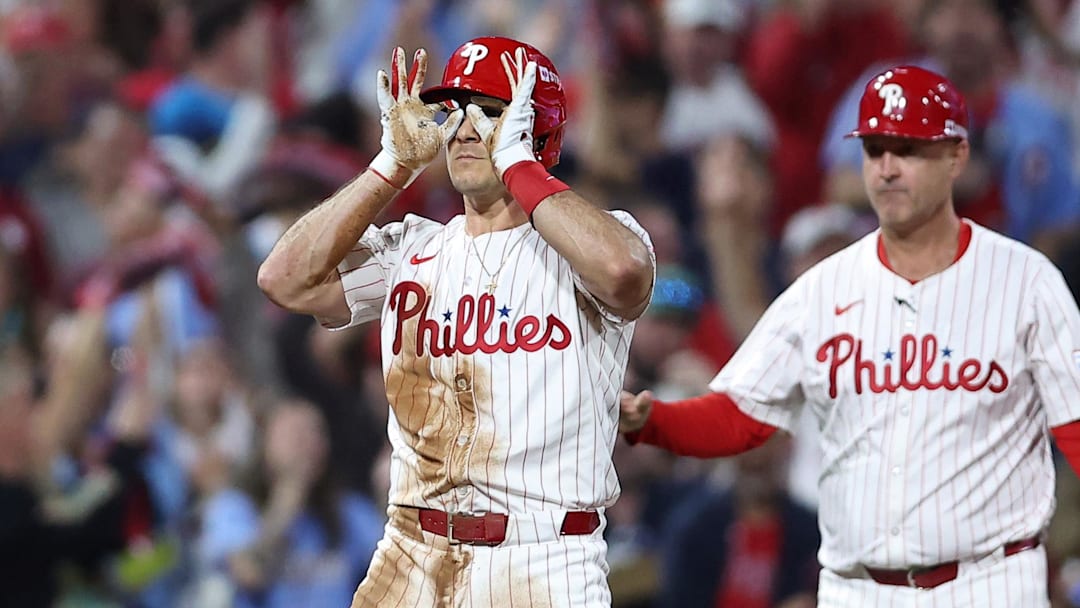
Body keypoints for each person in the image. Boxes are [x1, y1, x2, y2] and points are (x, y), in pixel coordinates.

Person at [620, 64, 1080, 606]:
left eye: (907, 150)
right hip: (858, 588)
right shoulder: (823, 290)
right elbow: (743, 415)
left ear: (957, 157)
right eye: (874, 150)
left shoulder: (1025, 283)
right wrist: (655, 423)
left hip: (988, 584)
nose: (886, 169)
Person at [257, 36, 655, 607]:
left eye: (490, 112)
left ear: (537, 128)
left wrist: (519, 162)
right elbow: (284, 279)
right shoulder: (412, 249)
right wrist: (390, 166)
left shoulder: (596, 243)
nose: (463, 129)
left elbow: (623, 273)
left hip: (540, 562)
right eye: (453, 111)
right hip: (410, 555)